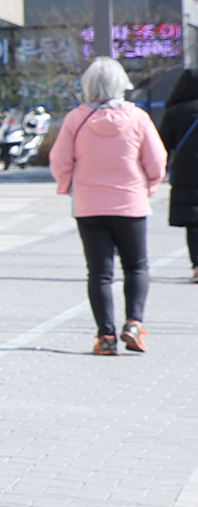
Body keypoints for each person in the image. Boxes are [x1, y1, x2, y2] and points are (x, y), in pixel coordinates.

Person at [49, 56, 166, 354]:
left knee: (99, 273)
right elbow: (157, 159)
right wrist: (151, 184)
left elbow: (60, 160)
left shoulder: (77, 118)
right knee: (136, 266)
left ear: (89, 85)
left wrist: (66, 185)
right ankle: (134, 325)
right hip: (130, 204)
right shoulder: (137, 118)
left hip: (89, 206)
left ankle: (105, 337)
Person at [159, 68, 198, 281]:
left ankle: (197, 265)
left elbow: (162, 145)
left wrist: (160, 170)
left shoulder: (175, 112)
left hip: (186, 173)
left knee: (194, 221)